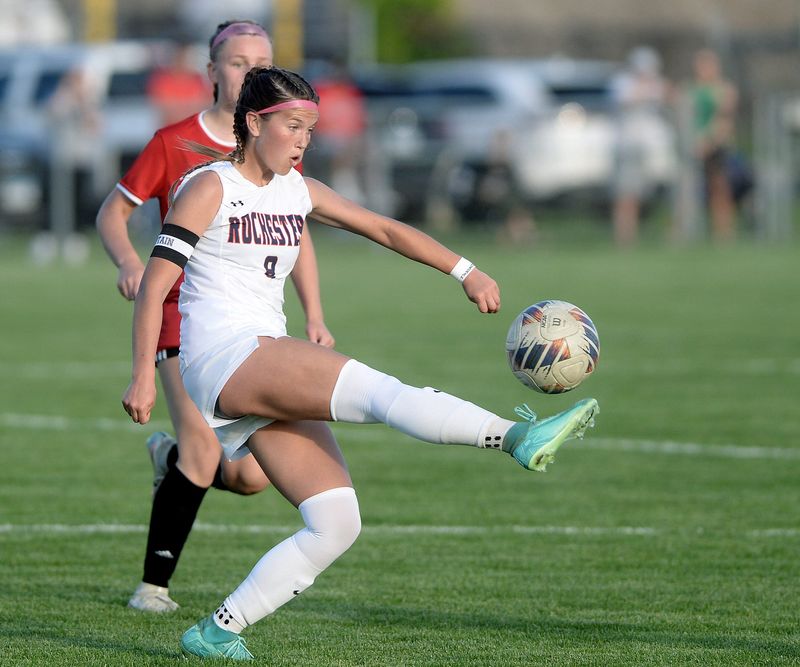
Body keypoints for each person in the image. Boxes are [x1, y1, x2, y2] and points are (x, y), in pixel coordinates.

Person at [121, 65, 600, 661]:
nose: (304, 140)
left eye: (310, 129)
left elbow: (382, 228)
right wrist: (144, 372)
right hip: (227, 355)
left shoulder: (298, 188)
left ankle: (218, 631)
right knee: (378, 392)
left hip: (257, 355)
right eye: (292, 126)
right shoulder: (210, 186)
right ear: (253, 123)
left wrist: (464, 270)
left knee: (335, 522)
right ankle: (516, 436)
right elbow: (155, 284)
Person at [96, 20, 334, 614]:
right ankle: (152, 588)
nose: (249, 70)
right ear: (211, 71)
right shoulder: (174, 142)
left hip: (252, 329)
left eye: (261, 60)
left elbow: (294, 232)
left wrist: (315, 313)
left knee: (251, 477)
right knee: (205, 455)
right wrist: (129, 261)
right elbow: (112, 212)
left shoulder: (280, 143)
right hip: (181, 318)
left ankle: (169, 458)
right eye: (236, 61)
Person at [611, 47, 670, 247]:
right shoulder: (623, 83)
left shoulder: (658, 85)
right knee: (627, 195)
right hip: (630, 146)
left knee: (668, 193)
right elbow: (626, 99)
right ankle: (626, 239)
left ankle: (673, 235)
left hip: (655, 148)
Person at [690, 48, 739, 242]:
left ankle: (724, 231)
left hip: (715, 145)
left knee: (720, 188)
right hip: (693, 145)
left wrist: (708, 140)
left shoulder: (724, 89)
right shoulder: (691, 89)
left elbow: (724, 119)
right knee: (688, 190)